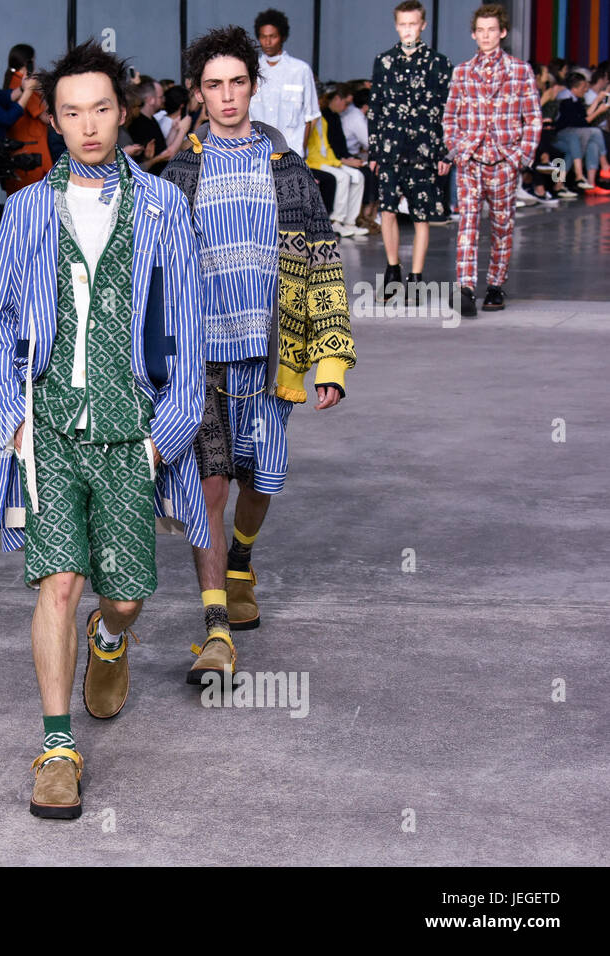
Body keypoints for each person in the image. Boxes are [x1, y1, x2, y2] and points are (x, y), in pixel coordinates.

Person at [0, 41, 207, 820]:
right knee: (58, 586)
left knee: (126, 596)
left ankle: (113, 640)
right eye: (70, 112)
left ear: (123, 110)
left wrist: (160, 439)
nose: (87, 125)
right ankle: (56, 747)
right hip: (48, 428)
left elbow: (189, 332)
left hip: (130, 429)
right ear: (56, 120)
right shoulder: (30, 207)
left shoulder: (166, 207)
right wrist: (10, 419)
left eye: (100, 108)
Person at [163, 25, 355, 684]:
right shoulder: (179, 172)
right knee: (209, 486)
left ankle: (242, 559)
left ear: (253, 85)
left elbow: (324, 263)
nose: (225, 96)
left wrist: (329, 361)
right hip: (203, 359)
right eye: (212, 85)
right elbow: (154, 276)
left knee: (260, 479)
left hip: (276, 357)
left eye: (236, 83)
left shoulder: (288, 168)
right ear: (198, 92)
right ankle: (216, 626)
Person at [443, 3, 542, 316]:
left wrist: (518, 157)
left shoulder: (520, 70)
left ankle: (495, 285)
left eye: (491, 30)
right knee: (468, 224)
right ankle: (466, 288)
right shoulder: (461, 71)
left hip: (504, 160)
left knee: (502, 226)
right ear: (474, 34)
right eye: (480, 31)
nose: (486, 36)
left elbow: (534, 118)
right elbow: (450, 116)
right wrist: (458, 149)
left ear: (502, 33)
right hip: (470, 158)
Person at [369, 0, 453, 300]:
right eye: (403, 24)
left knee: (421, 215)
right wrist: (374, 151)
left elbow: (447, 110)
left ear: (423, 25)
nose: (408, 30)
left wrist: (445, 152)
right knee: (388, 211)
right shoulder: (384, 61)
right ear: (396, 25)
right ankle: (393, 271)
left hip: (423, 150)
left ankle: (416, 277)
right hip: (390, 148)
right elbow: (375, 108)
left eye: (413, 24)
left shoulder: (439, 63)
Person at [248, 9, 318, 157]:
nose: (267, 42)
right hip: (258, 153)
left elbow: (310, 117)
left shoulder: (300, 70)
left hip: (292, 153)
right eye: (263, 36)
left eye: (272, 36)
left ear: (282, 37)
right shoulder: (251, 70)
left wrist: (300, 153)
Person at [305, 89, 369, 237]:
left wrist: (338, 161)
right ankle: (336, 221)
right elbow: (311, 150)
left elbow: (326, 147)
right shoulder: (309, 123)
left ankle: (349, 222)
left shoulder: (324, 121)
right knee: (343, 177)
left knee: (358, 176)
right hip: (314, 162)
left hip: (327, 160)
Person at [4, 44, 52, 192]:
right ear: (29, 62)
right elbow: (45, 117)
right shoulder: (23, 85)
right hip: (31, 152)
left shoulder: (14, 81)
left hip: (24, 149)